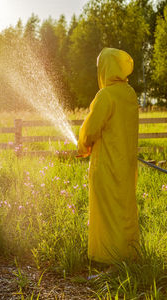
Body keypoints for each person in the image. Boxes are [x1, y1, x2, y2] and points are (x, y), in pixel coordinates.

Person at [78, 47, 139, 264]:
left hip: (107, 165)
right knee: (125, 211)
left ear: (106, 68)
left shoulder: (105, 95)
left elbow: (90, 130)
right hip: (127, 166)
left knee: (106, 214)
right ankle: (128, 256)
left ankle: (106, 259)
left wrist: (83, 144)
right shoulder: (130, 94)